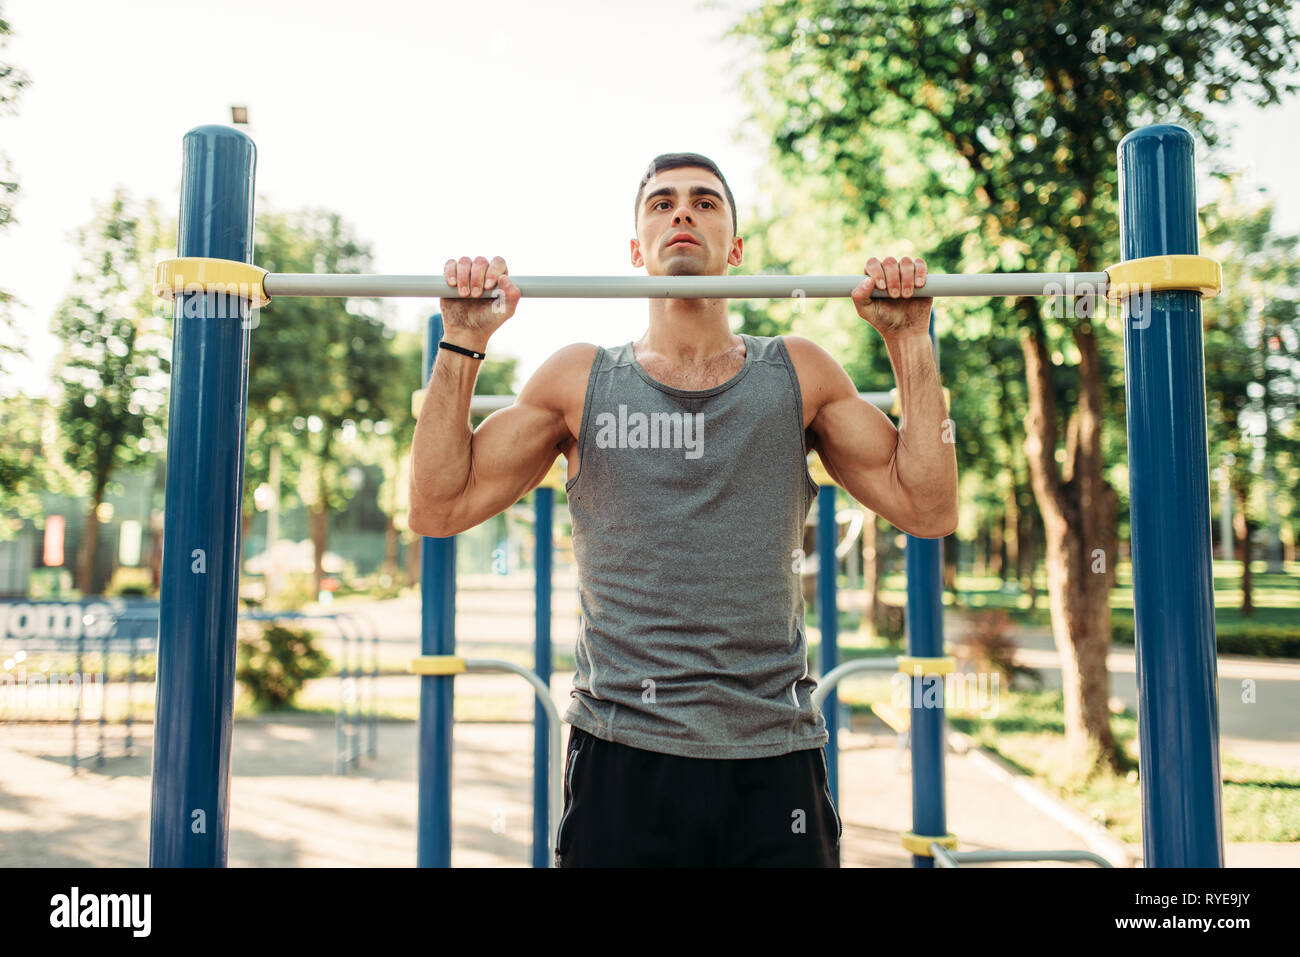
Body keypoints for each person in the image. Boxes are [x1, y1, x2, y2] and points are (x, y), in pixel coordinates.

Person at [408, 152, 958, 867]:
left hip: (774, 757)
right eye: (662, 203)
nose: (682, 213)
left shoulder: (799, 371)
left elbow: (930, 505)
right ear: (637, 249)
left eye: (704, 202)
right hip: (624, 757)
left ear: (735, 247)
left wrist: (909, 341)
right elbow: (436, 505)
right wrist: (463, 339)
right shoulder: (580, 379)